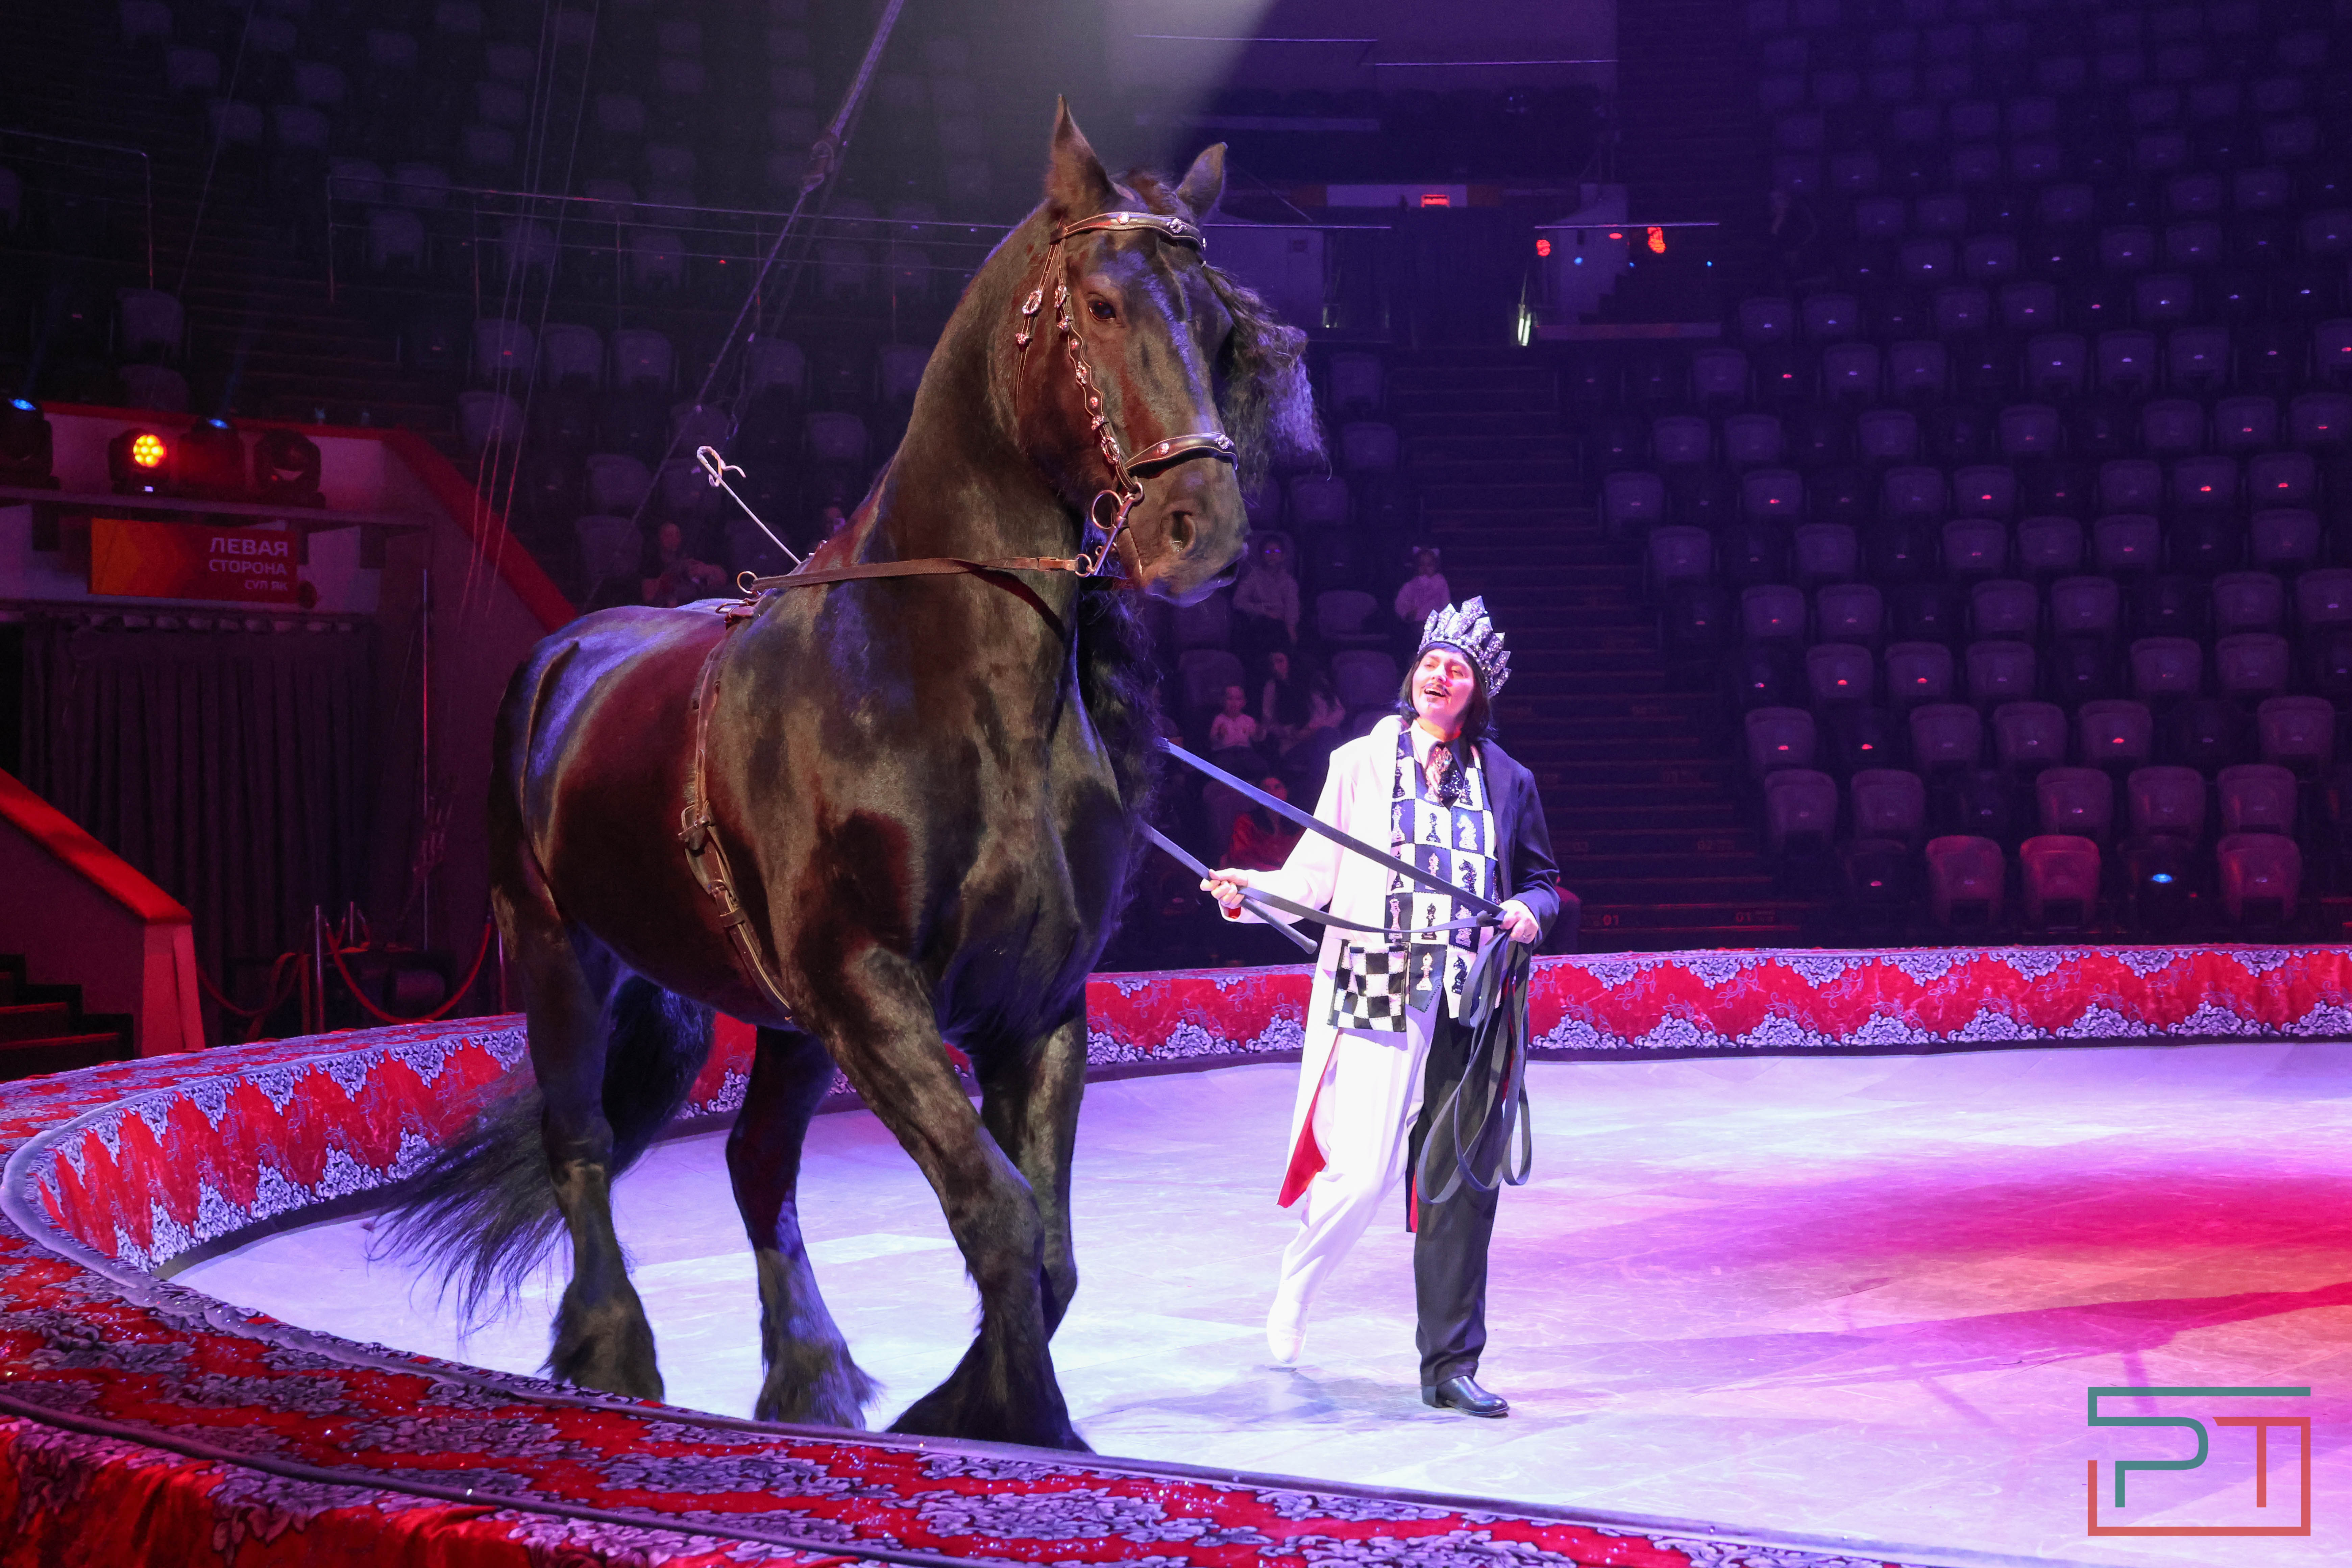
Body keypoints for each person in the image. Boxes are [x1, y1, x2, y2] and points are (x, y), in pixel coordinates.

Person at [1202, 597, 1564, 1419]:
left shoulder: (1509, 779)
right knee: (1362, 1174)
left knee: (1459, 1183)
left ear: (1477, 691)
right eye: (1432, 659)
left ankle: (1450, 1365)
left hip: (1472, 1000)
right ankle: (1300, 1276)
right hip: (1377, 974)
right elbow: (1309, 880)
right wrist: (1245, 891)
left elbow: (1542, 879)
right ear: (1414, 671)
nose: (1441, 673)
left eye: (1458, 667)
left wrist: (1530, 912)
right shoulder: (1361, 763)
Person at [1232, 533, 1300, 668]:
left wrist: (1291, 628)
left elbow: (1292, 608)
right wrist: (1265, 611)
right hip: (1259, 625)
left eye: (1277, 551)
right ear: (1262, 555)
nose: (1273, 555)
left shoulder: (1289, 582)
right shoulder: (1254, 577)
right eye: (1268, 552)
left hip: (1281, 627)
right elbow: (1238, 601)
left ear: (1284, 556)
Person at [1224, 775, 1304, 872]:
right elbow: (1241, 859)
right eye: (1266, 789)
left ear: (1286, 791)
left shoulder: (1298, 824)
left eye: (1277, 788)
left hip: (1291, 880)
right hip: (1253, 880)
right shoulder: (1245, 822)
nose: (1272, 793)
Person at [641, 520, 726, 607]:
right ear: (659, 539)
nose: (673, 539)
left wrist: (707, 570)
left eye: (677, 535)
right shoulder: (652, 565)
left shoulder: (687, 559)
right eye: (669, 535)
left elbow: (720, 579)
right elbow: (648, 597)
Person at [1393, 547, 1450, 629]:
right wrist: (1407, 614)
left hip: (1436, 621)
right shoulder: (1411, 585)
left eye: (1429, 565)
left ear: (1435, 566)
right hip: (1416, 622)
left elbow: (1446, 601)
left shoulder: (1440, 582)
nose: (1425, 568)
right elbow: (1401, 603)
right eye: (1422, 565)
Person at [1208, 684, 1260, 753]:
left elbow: (1256, 738)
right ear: (1223, 701)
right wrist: (1219, 735)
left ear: (1244, 703)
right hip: (1224, 752)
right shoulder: (1219, 720)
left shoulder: (1248, 720)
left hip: (1245, 753)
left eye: (1238, 699)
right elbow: (1212, 739)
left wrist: (1259, 731)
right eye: (1230, 699)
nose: (1234, 703)